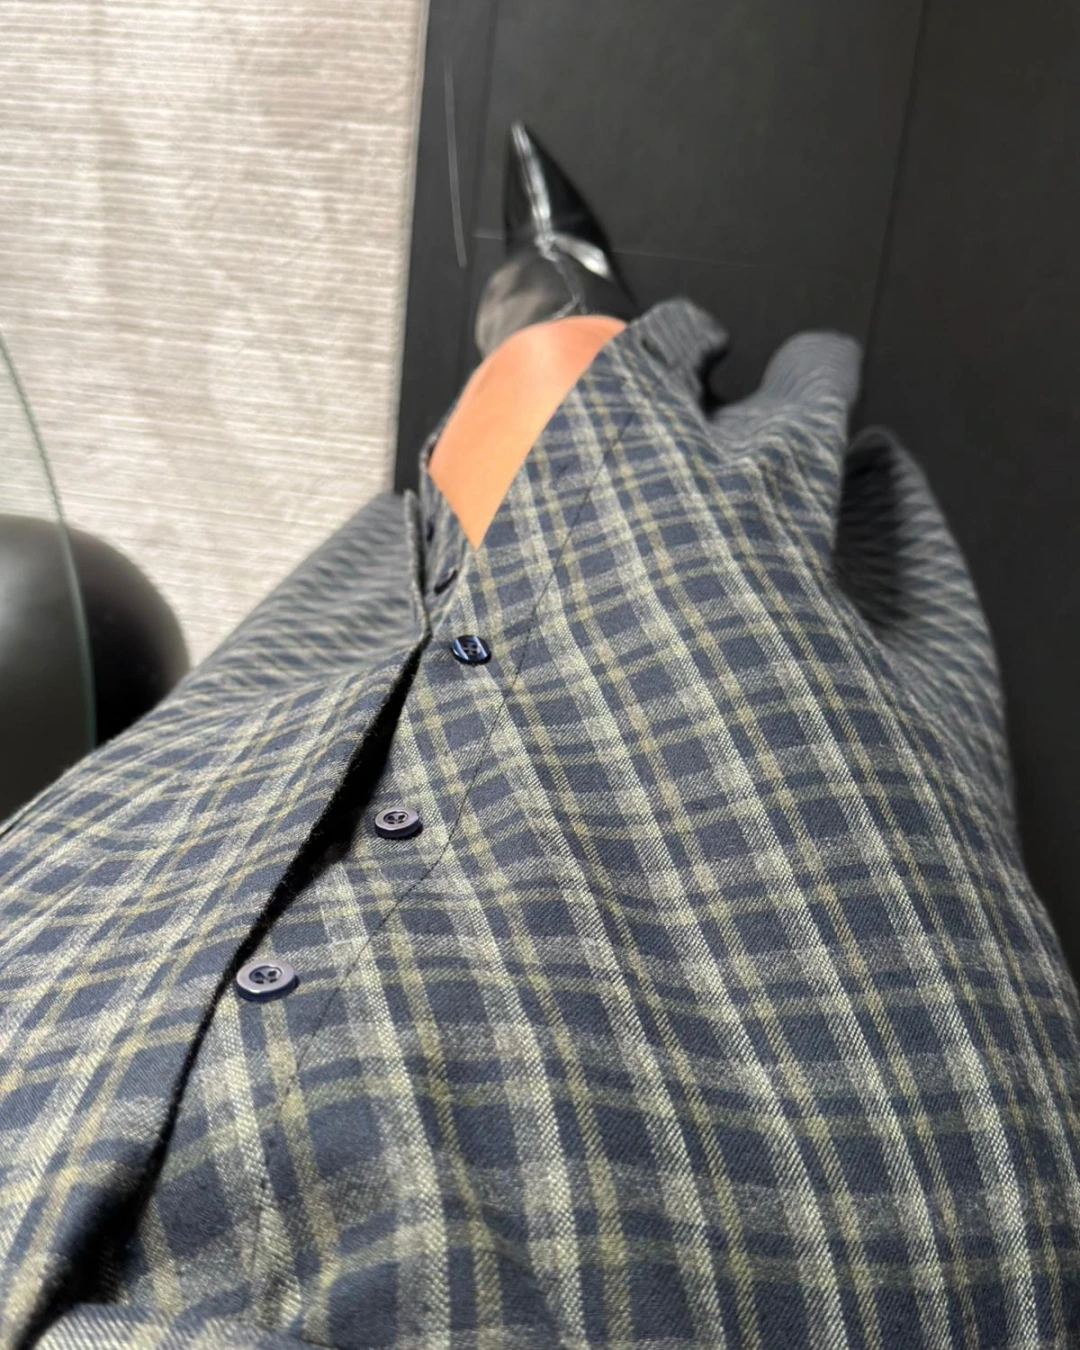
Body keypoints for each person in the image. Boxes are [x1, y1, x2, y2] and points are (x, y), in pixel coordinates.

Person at [0, 122, 1078, 1350]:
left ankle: (544, 362)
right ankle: (564, 335)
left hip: (75, 980)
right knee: (691, 595)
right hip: (772, 1172)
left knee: (351, 653)